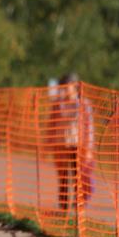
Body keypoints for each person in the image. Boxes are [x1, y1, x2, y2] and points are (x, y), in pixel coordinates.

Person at [49, 73, 95, 221]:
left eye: (66, 86)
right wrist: (49, 141)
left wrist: (88, 147)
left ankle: (78, 207)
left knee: (77, 177)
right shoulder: (58, 103)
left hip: (77, 144)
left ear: (74, 86)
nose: (64, 89)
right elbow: (51, 123)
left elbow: (89, 126)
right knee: (63, 177)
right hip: (61, 143)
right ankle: (63, 208)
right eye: (62, 86)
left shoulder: (83, 104)